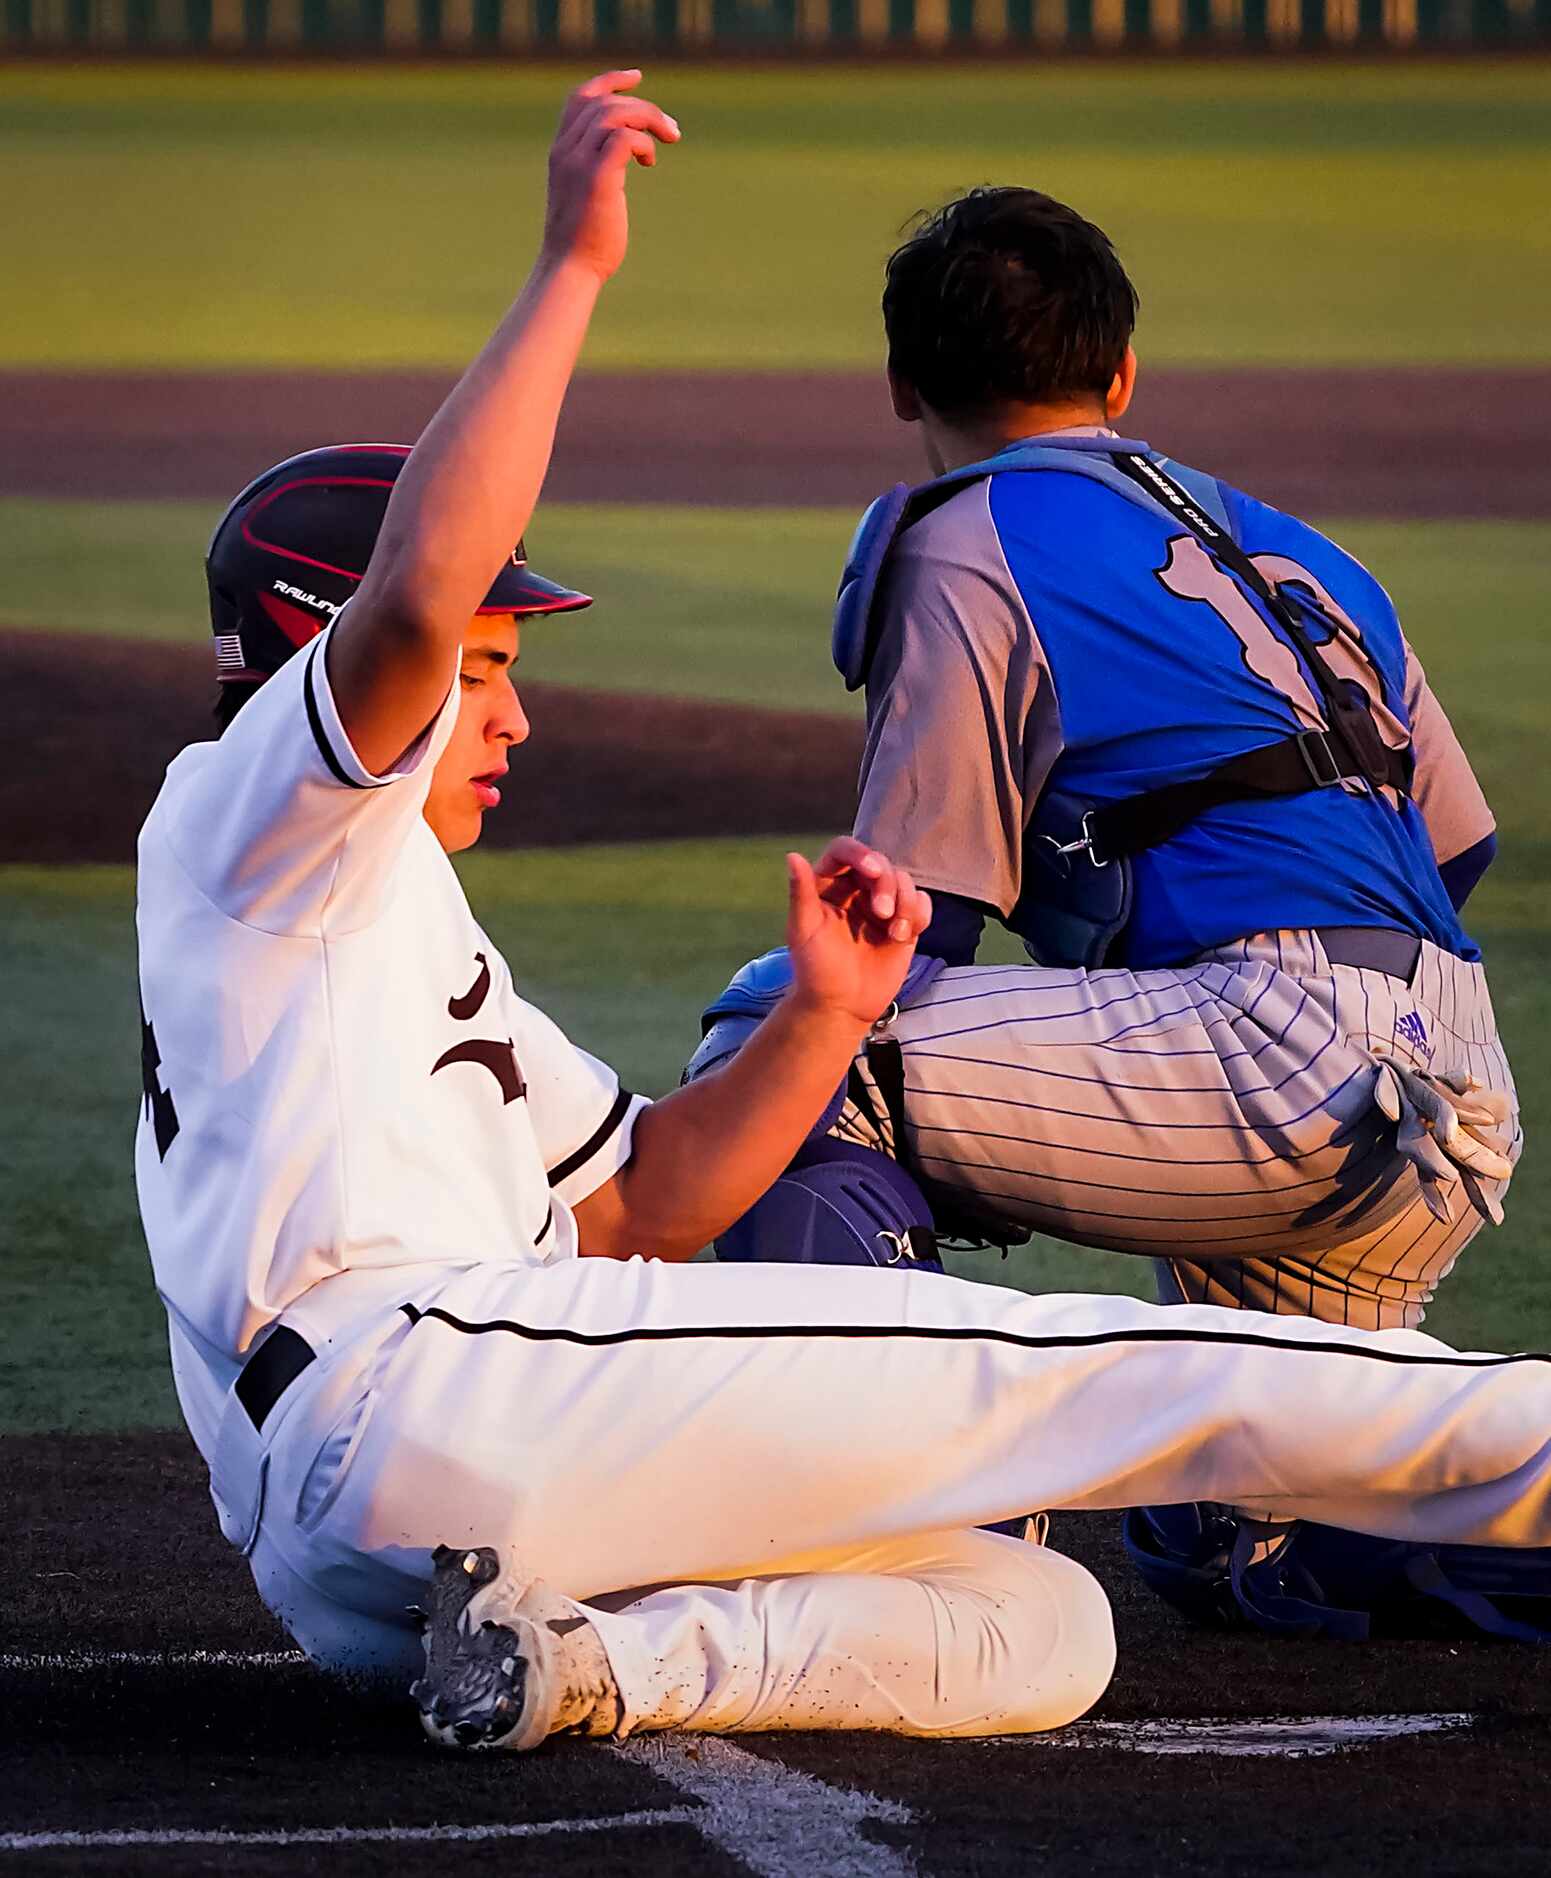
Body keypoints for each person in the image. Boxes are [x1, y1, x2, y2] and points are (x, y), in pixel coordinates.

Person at [137, 76, 1551, 1757]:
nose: (507, 710)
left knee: (1038, 1621)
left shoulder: (376, 922)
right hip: (435, 1380)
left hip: (376, 1554)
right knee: (1109, 1378)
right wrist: (573, 264)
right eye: (489, 673)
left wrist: (825, 1009)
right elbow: (419, 593)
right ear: (324, 652)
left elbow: (652, 1194)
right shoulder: (252, 821)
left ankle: (580, 1672)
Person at [687, 184, 1532, 1634]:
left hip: (1274, 1060)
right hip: (1462, 1091)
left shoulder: (966, 541)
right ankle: (1429, 1524)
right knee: (1226, 1543)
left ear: (903, 383)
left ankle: (925, 1525)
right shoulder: (1303, 551)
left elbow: (904, 935)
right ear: (1123, 375)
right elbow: (1454, 856)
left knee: (790, 1045)